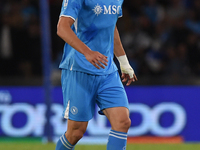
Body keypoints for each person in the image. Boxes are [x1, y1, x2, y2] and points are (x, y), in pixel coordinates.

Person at [55, 0, 137, 150]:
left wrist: (124, 62)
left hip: (107, 70)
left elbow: (111, 27)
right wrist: (87, 52)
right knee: (76, 132)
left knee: (123, 122)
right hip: (79, 69)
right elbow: (62, 28)